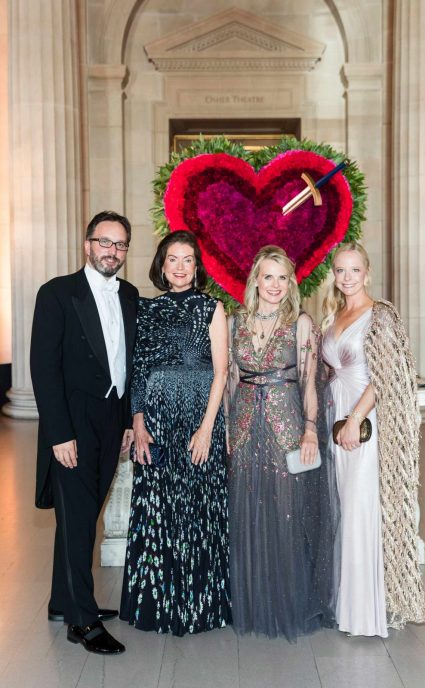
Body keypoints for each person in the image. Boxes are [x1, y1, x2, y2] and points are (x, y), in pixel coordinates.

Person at [30, 210, 139, 655]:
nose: (111, 251)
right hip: (72, 422)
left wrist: (131, 421)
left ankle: (63, 600)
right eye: (104, 241)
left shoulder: (130, 294)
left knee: (83, 515)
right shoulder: (57, 293)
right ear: (87, 244)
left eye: (119, 244)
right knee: (77, 522)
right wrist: (59, 433)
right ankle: (82, 619)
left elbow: (132, 366)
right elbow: (43, 368)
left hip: (112, 419)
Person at [120, 230, 231, 635]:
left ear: (196, 266)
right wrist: (137, 420)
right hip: (158, 417)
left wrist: (206, 429)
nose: (180, 267)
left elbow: (221, 372)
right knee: (159, 506)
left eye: (187, 259)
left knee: (200, 506)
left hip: (201, 414)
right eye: (173, 259)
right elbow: (139, 369)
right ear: (162, 266)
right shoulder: (146, 310)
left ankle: (202, 603)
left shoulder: (212, 308)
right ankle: (158, 603)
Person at [226, 246, 336, 641]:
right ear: (256, 279)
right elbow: (230, 380)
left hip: (287, 423)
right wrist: (223, 430)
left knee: (287, 514)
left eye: (282, 278)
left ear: (291, 283)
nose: (275, 285)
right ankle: (253, 604)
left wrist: (310, 428)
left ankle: (287, 603)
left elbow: (310, 380)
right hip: (242, 426)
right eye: (268, 276)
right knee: (247, 513)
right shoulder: (235, 322)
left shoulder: (301, 323)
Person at [321, 241, 425, 637]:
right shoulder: (335, 314)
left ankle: (364, 614)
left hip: (363, 421)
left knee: (361, 508)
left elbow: (384, 375)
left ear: (367, 272)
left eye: (354, 270)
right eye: (340, 271)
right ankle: (347, 604)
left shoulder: (380, 316)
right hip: (336, 416)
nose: (347, 278)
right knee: (344, 508)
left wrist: (354, 419)